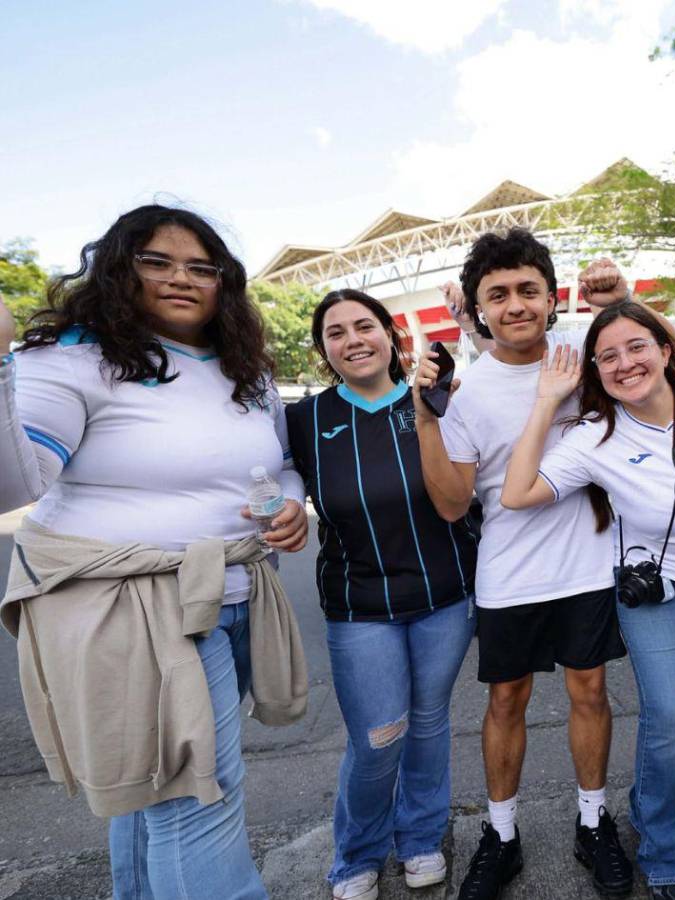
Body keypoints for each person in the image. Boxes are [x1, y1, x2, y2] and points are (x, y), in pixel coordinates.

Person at [0, 205, 309, 900]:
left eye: (202, 267)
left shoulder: (245, 369)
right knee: (201, 795)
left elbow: (279, 462)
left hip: (232, 599)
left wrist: (288, 502)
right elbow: (12, 486)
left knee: (160, 794)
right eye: (158, 262)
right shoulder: (71, 358)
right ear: (118, 268)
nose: (182, 279)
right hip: (136, 612)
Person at [413, 230, 652, 900]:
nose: (515, 304)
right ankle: (501, 833)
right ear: (479, 307)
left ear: (552, 297)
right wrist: (425, 418)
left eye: (527, 290)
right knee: (506, 700)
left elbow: (657, 374)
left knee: (590, 694)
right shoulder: (466, 392)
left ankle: (592, 821)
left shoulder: (590, 360)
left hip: (586, 564)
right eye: (499, 294)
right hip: (509, 572)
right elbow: (454, 503)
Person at [500, 302, 675, 900]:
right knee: (667, 718)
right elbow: (516, 493)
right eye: (607, 356)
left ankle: (648, 803)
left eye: (637, 346)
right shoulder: (595, 437)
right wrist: (545, 401)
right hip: (654, 592)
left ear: (666, 350)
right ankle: (664, 848)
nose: (625, 363)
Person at [285, 289, 479, 900]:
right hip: (359, 606)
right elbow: (281, 479)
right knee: (378, 736)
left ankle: (421, 838)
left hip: (444, 597)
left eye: (364, 326)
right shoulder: (303, 421)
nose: (352, 340)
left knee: (427, 724)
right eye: (336, 333)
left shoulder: (437, 401)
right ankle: (356, 855)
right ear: (324, 351)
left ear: (390, 335)